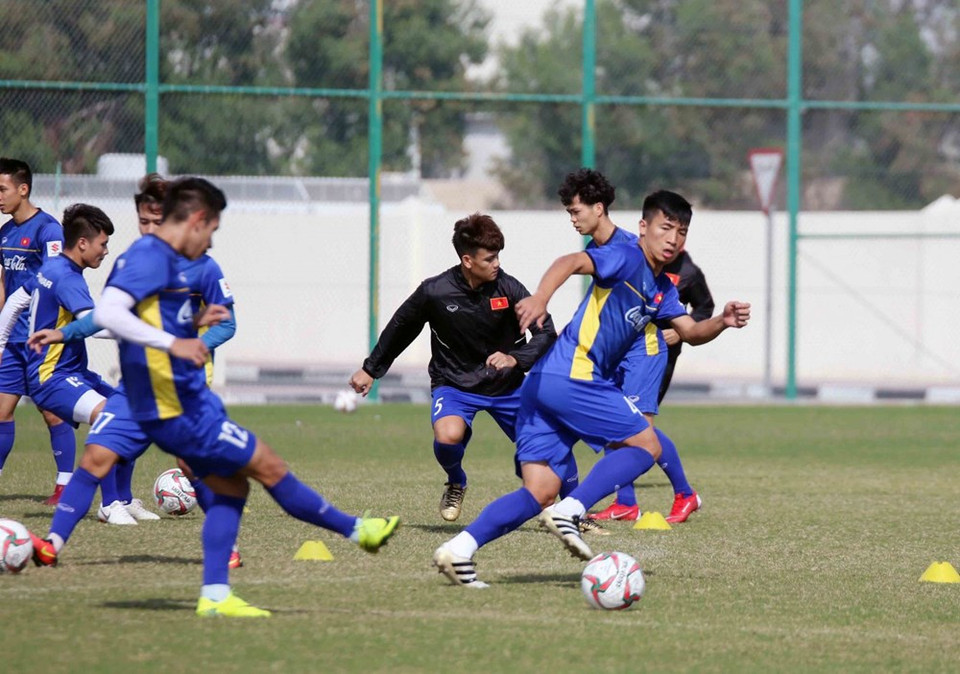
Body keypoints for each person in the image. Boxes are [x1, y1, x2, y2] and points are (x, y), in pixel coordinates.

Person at [30, 177, 399, 618]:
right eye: (212, 230)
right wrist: (174, 343)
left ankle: (217, 594)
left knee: (232, 485)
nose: (210, 241)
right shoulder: (151, 256)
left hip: (169, 399)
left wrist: (193, 319)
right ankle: (359, 532)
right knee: (268, 466)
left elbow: (137, 313)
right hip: (177, 404)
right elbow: (109, 314)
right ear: (198, 220)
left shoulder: (163, 261)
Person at [433, 188, 750, 587]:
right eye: (666, 228)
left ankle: (459, 549)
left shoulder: (662, 289)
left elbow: (690, 330)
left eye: (682, 232)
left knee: (541, 490)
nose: (673, 239)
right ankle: (574, 508)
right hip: (575, 375)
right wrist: (540, 299)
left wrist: (721, 320)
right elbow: (571, 261)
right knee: (647, 445)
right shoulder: (627, 255)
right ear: (644, 227)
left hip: (544, 385)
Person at [350, 213, 557, 522]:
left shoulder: (510, 289)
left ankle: (575, 513)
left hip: (507, 386)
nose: (497, 263)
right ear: (467, 260)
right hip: (454, 383)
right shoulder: (435, 292)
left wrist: (516, 359)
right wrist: (370, 368)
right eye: (489, 258)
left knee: (549, 451)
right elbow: (401, 328)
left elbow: (546, 332)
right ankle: (456, 481)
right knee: (448, 436)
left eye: (498, 256)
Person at [556, 168, 714, 524]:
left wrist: (676, 329)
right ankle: (626, 502)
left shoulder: (626, 245)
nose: (572, 218)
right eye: (568, 212)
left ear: (598, 209)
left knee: (638, 430)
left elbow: (667, 299)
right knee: (618, 426)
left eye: (576, 210)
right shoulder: (595, 246)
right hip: (615, 353)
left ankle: (685, 494)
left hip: (643, 350)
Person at [0, 158, 75, 504]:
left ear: (23, 189)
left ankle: (65, 484)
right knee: (1, 410)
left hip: (40, 338)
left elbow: (55, 277)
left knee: (51, 411)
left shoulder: (48, 230)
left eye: (2, 189)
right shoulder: (4, 233)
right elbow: (4, 283)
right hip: (10, 338)